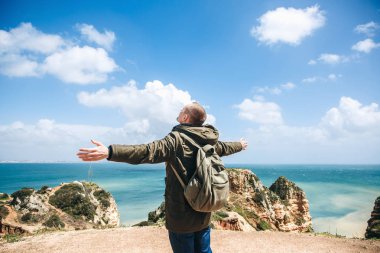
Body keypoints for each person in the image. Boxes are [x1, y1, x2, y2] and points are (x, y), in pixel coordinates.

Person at [77, 102, 248, 253]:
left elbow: (146, 152)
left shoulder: (176, 139)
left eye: (181, 110)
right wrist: (240, 145)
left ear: (185, 117)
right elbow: (226, 147)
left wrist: (110, 152)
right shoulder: (209, 140)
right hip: (204, 211)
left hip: (181, 216)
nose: (179, 112)